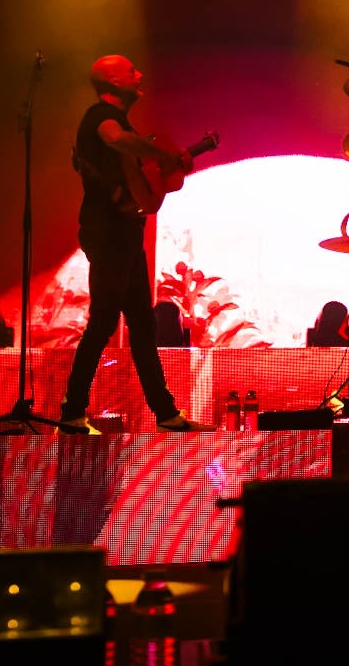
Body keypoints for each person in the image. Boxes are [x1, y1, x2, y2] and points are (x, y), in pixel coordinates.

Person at [59, 54, 214, 434]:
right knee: (104, 321)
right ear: (112, 80)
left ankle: (165, 414)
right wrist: (161, 154)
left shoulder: (122, 123)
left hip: (125, 230)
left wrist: (167, 166)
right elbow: (115, 139)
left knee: (142, 324)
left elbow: (143, 184)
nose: (140, 74)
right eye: (131, 71)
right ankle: (72, 413)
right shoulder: (100, 118)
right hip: (108, 231)